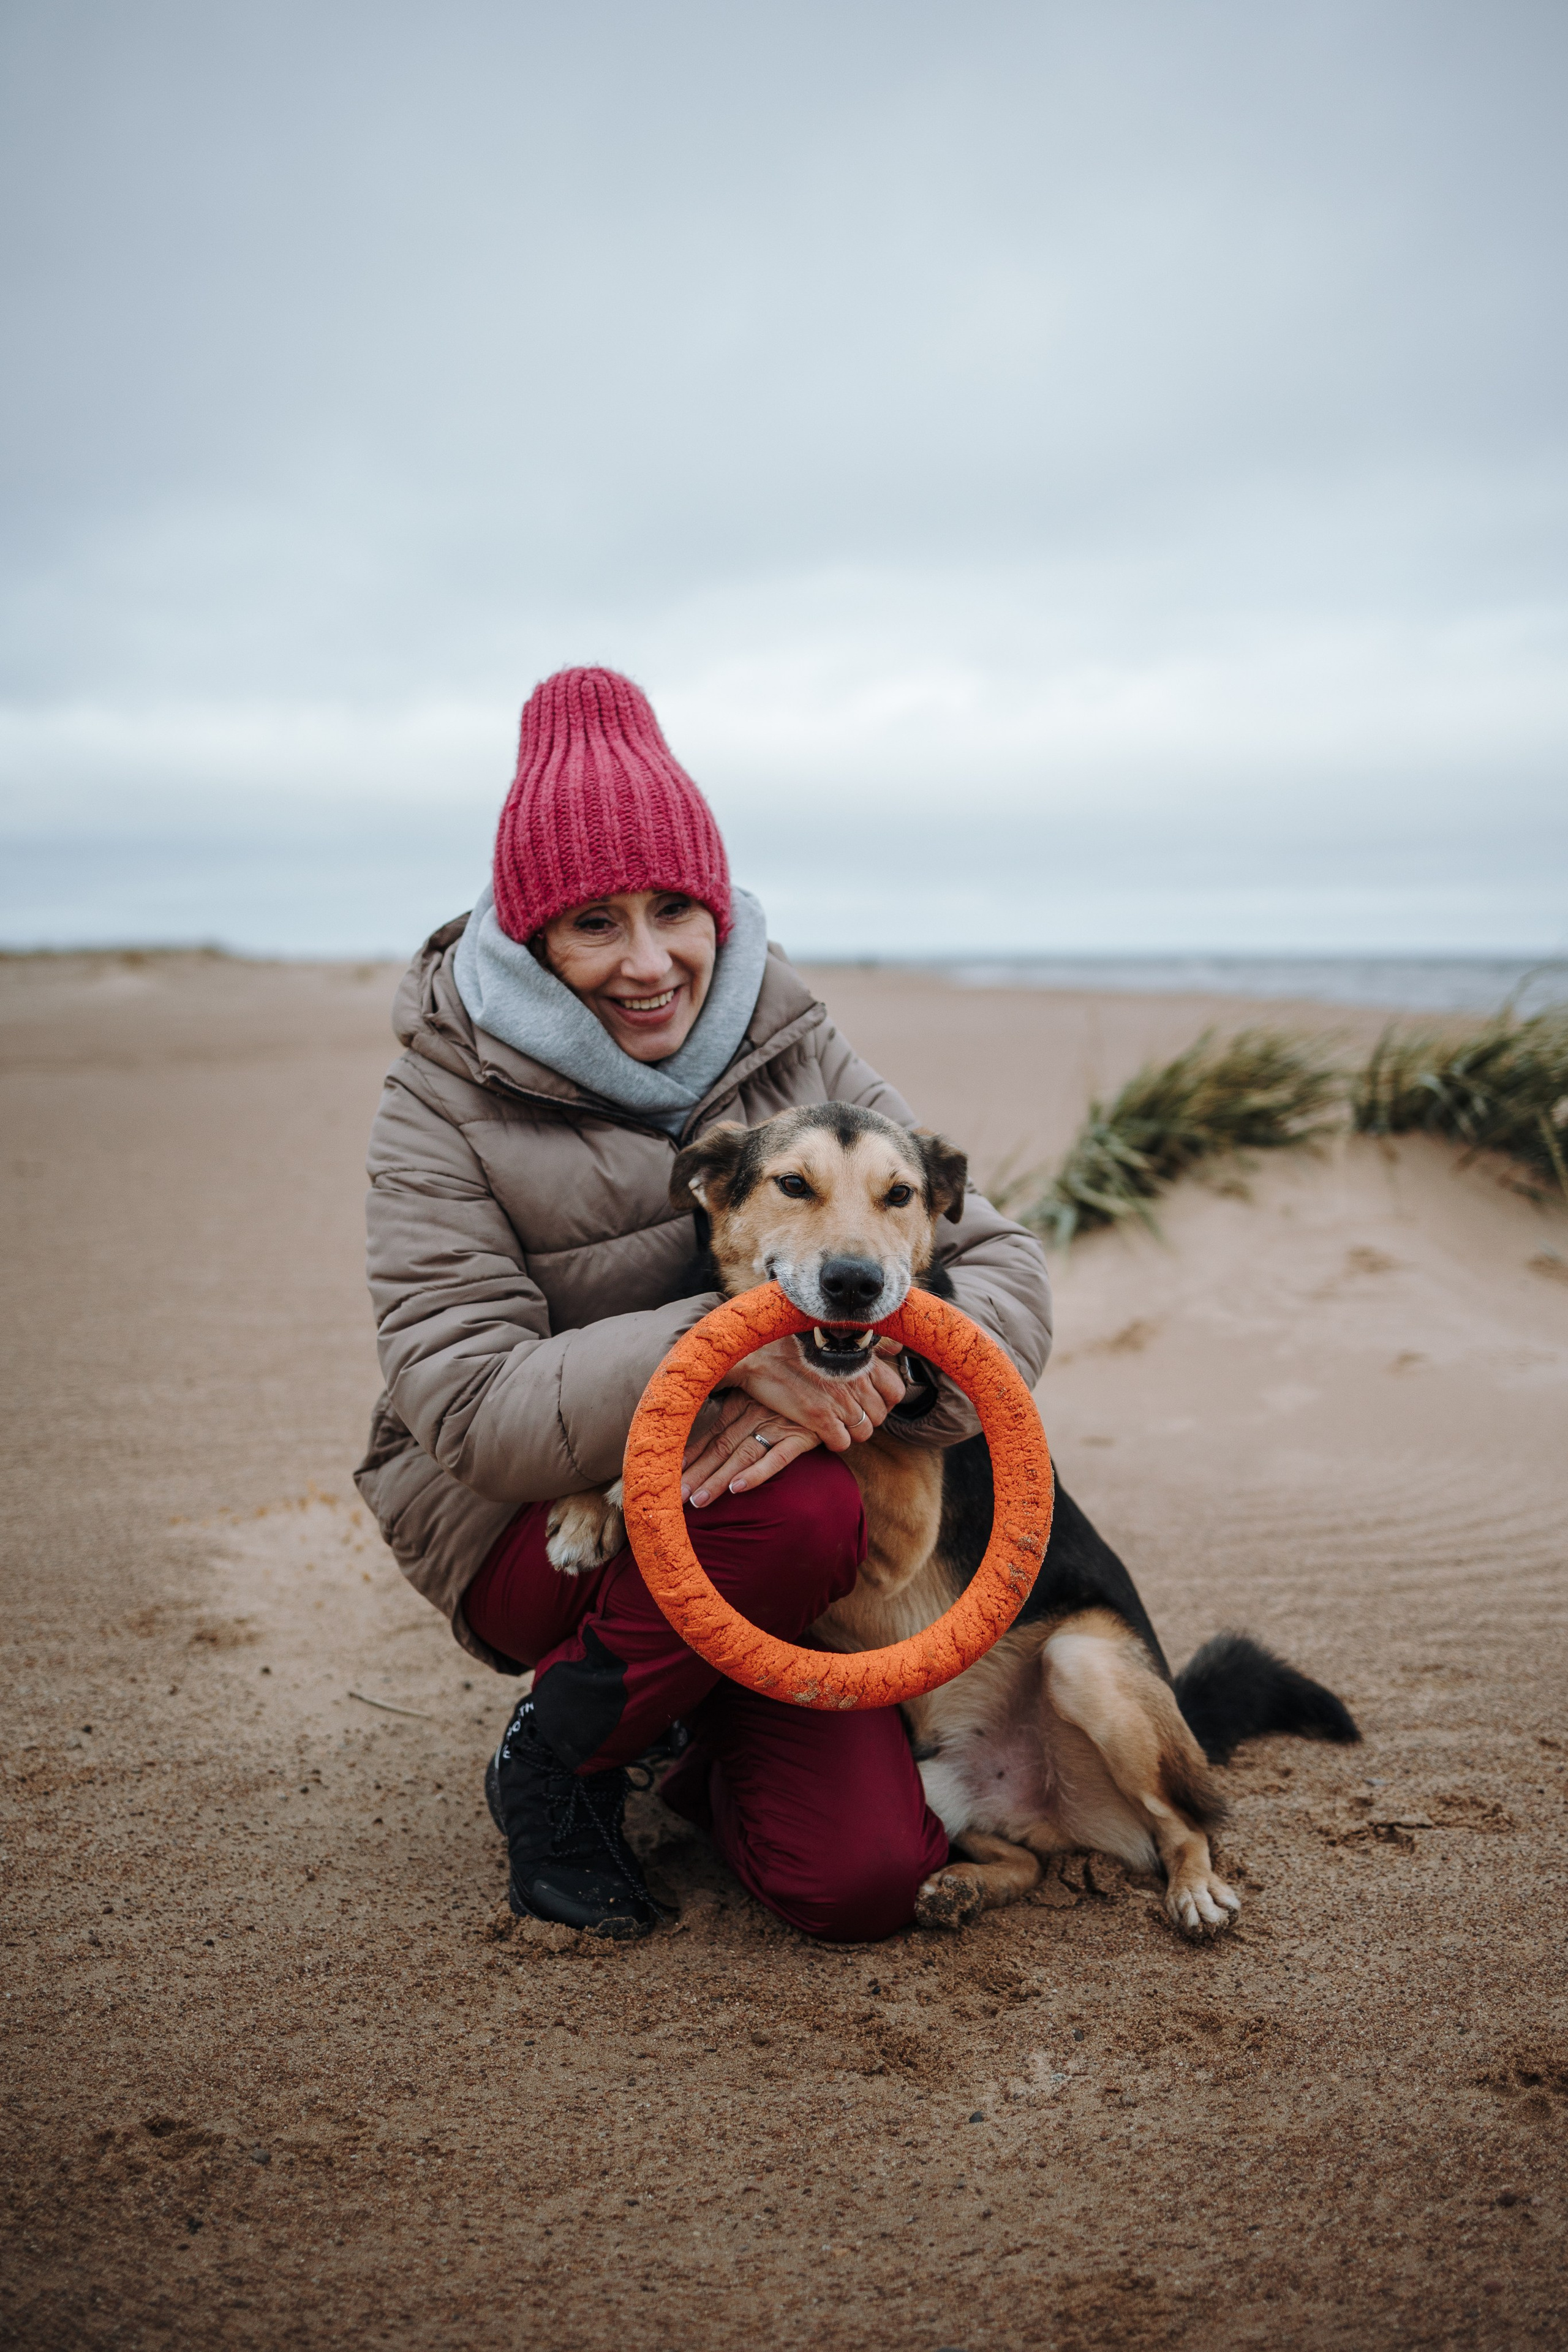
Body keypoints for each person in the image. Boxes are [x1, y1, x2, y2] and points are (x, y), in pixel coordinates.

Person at [355, 666, 1052, 1943]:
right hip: (529, 1522)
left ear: (716, 907)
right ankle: (554, 1759)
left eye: (675, 909)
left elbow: (1001, 1271)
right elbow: (462, 1400)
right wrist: (721, 1353)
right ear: (532, 937)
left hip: (761, 1530)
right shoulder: (438, 1102)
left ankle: (694, 1735)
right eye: (595, 923)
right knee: (797, 1507)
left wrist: (886, 1366)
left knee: (864, 1881)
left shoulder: (794, 1041)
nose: (648, 962)